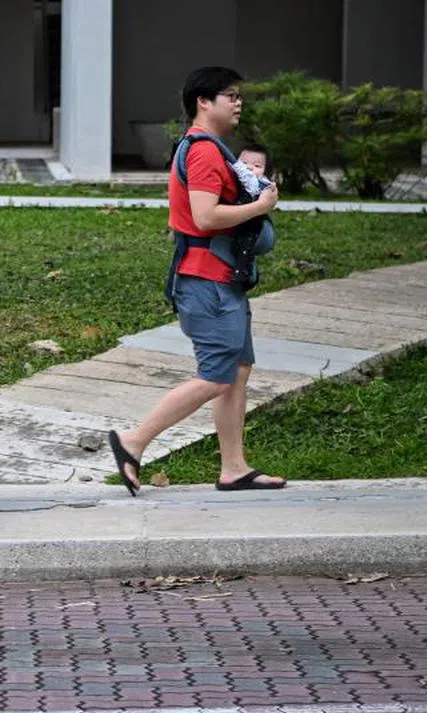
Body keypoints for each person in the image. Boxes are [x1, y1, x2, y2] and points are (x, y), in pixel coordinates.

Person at [108, 66, 285, 495]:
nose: (238, 102)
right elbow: (206, 217)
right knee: (217, 375)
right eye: (229, 95)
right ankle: (133, 442)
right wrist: (260, 206)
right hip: (206, 281)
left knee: (237, 371)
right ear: (203, 102)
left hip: (221, 280)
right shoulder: (205, 152)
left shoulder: (213, 149)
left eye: (239, 95)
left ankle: (234, 467)